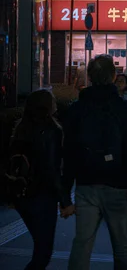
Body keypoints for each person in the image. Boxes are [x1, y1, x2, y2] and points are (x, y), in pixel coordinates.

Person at [63, 55, 127, 270]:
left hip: (86, 185)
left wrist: (64, 197)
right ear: (113, 76)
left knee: (82, 243)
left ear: (90, 78)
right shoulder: (126, 109)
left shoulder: (76, 109)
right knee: (121, 245)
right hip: (119, 187)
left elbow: (68, 154)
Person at [5, 89, 73, 269]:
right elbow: (52, 169)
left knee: (39, 246)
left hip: (22, 193)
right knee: (43, 252)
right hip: (42, 195)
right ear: (47, 106)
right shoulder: (52, 131)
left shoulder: (21, 128)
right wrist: (65, 201)